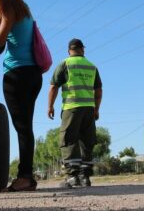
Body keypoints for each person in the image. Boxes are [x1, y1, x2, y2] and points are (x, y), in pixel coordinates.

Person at [0, 0, 41, 192]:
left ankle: (25, 177)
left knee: (22, 128)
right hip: (33, 74)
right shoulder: (24, 9)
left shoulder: (8, 11)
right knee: (26, 127)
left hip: (16, 75)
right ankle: (27, 176)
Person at [46, 38, 102, 188]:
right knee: (87, 142)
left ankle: (72, 177)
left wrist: (50, 106)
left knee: (68, 141)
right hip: (89, 109)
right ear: (82, 49)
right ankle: (85, 177)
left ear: (69, 51)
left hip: (71, 108)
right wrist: (96, 109)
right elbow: (98, 91)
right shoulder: (92, 67)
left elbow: (53, 87)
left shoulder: (65, 64)